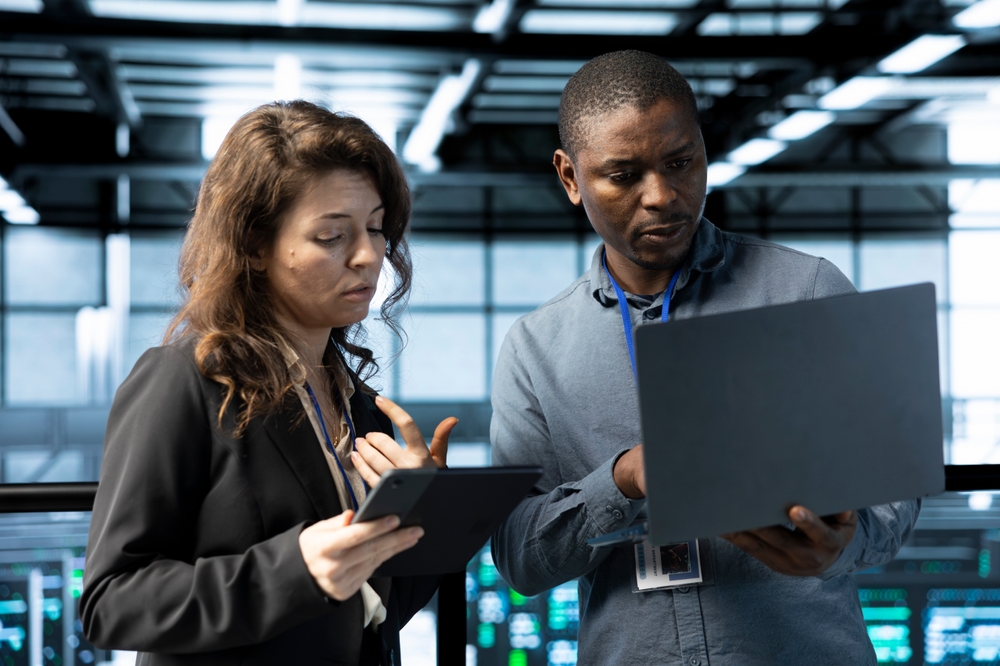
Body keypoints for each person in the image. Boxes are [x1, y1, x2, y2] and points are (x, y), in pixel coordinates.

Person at [490, 50, 918, 665]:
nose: (662, 195)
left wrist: (844, 545)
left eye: (681, 162)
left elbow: (891, 491)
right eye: (623, 175)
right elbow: (520, 559)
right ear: (568, 177)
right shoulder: (535, 350)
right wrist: (623, 480)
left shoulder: (806, 292)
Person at [80, 101, 457, 666]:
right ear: (255, 246)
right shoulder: (183, 381)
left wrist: (428, 514)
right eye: (332, 236)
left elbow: (377, 612)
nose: (367, 257)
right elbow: (112, 603)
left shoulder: (359, 402)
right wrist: (296, 569)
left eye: (376, 228)